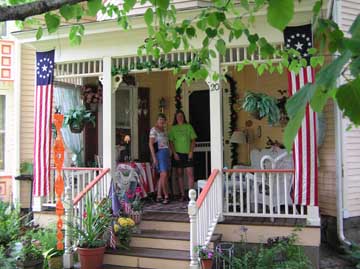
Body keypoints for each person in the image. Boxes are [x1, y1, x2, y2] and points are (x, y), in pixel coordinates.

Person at [169, 110, 197, 201]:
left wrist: (191, 152)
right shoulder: (173, 128)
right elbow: (171, 142)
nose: (179, 117)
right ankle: (182, 195)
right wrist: (174, 153)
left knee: (190, 174)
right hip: (177, 154)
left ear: (184, 117)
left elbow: (193, 140)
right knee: (179, 174)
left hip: (188, 153)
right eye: (177, 116)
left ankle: (191, 195)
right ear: (175, 118)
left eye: (181, 116)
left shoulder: (188, 126)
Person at [149, 113, 170, 204]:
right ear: (157, 120)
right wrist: (154, 157)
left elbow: (167, 142)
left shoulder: (165, 130)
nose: (161, 121)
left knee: (163, 175)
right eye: (160, 119)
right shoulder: (154, 130)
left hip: (166, 152)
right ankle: (166, 195)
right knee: (163, 174)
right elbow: (150, 144)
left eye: (163, 119)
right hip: (159, 153)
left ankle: (159, 195)